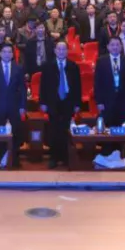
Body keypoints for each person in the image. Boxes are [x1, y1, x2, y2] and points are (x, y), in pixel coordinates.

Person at [39, 41, 81, 169]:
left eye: (64, 49)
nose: (61, 51)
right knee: (53, 130)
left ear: (67, 51)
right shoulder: (47, 66)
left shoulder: (73, 66)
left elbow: (78, 86)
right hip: (53, 101)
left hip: (68, 101)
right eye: (59, 49)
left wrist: (77, 103)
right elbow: (43, 86)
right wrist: (43, 102)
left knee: (66, 130)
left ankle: (65, 157)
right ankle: (53, 157)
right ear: (55, 51)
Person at [0, 43, 26, 168]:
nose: (7, 54)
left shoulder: (18, 68)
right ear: (0, 54)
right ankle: (0, 158)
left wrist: (22, 106)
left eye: (9, 52)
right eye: (5, 52)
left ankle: (14, 159)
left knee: (15, 132)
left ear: (13, 54)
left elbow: (23, 89)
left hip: (15, 106)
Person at [94, 36, 125, 127]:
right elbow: (97, 83)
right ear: (108, 47)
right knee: (108, 129)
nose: (115, 47)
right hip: (106, 101)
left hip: (123, 101)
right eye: (112, 45)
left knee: (122, 128)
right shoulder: (101, 61)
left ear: (121, 47)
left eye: (117, 45)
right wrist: (99, 102)